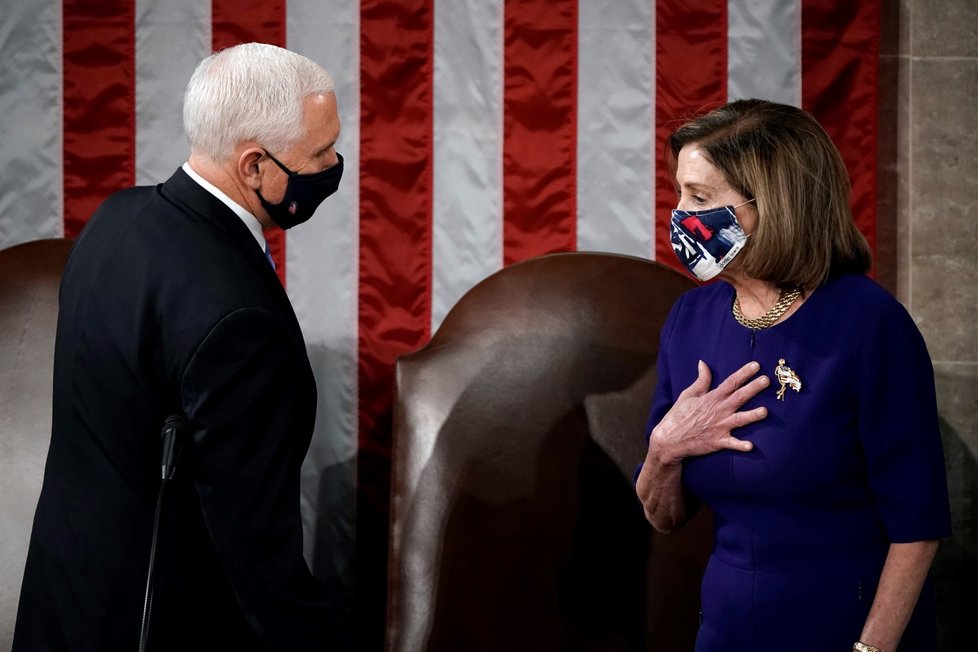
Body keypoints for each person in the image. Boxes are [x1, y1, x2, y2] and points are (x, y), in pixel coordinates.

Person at [13, 42, 345, 651]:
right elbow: (249, 539)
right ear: (253, 166)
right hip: (160, 621)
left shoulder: (118, 219)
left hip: (66, 600)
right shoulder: (239, 318)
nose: (333, 164)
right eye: (319, 153)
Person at [635, 99, 951, 652]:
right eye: (680, 193)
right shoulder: (690, 320)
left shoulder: (868, 323)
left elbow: (918, 528)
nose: (680, 214)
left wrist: (870, 650)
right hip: (726, 629)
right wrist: (665, 448)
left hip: (848, 629)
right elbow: (664, 518)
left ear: (773, 205)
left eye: (700, 197)